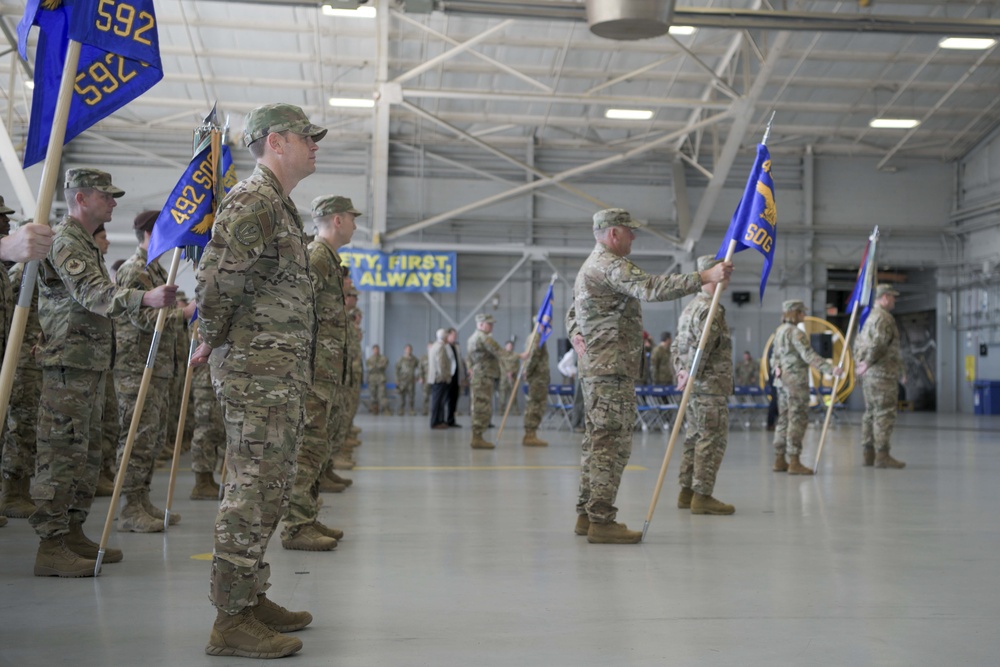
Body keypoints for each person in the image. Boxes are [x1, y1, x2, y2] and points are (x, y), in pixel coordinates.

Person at [191, 103, 326, 658]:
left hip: (276, 374)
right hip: (254, 372)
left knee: (268, 486)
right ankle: (229, 620)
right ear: (276, 142)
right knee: (250, 489)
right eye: (306, 137)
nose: (315, 145)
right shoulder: (254, 199)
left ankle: (249, 596)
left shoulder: (280, 204)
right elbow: (217, 280)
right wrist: (211, 338)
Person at [32, 168, 176, 575]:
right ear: (80, 198)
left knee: (88, 454)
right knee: (61, 454)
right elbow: (92, 294)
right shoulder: (66, 240)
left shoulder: (84, 243)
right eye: (106, 195)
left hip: (91, 364)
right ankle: (51, 544)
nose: (113, 202)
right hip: (68, 366)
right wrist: (144, 297)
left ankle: (72, 531)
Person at [567, 209, 732, 544]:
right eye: (630, 232)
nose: (634, 237)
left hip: (601, 368)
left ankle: (587, 515)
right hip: (610, 370)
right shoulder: (610, 265)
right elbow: (651, 288)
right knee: (611, 444)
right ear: (614, 234)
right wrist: (703, 276)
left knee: (597, 441)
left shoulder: (590, 266)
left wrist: (577, 334)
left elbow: (573, 313)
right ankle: (601, 520)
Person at [281, 195, 358, 551]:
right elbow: (297, 310)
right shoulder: (316, 258)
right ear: (337, 220)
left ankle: (307, 517)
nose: (356, 225)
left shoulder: (328, 259)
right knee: (307, 448)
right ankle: (296, 527)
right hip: (312, 372)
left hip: (323, 373)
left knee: (316, 447)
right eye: (352, 218)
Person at [113, 211, 195, 531]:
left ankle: (142, 499)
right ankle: (129, 507)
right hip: (136, 368)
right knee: (136, 438)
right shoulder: (136, 271)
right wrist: (184, 313)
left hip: (158, 368)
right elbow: (142, 320)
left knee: (152, 437)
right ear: (150, 234)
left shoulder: (155, 270)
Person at [0, 201, 55, 525]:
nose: (6, 224)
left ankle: (14, 490)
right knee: (18, 425)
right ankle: (11, 492)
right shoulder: (22, 270)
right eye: (1, 220)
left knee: (20, 424)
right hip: (18, 363)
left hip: (24, 359)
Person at [671, 256, 736, 515]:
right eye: (725, 271)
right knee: (711, 439)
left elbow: (678, 345)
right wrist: (692, 372)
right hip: (708, 386)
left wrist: (682, 372)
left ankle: (687, 492)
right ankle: (703, 495)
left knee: (694, 438)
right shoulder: (711, 309)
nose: (728, 276)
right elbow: (703, 346)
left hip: (694, 386)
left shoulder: (689, 307)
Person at [770, 301, 842, 475]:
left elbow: (774, 358)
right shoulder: (796, 333)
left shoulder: (779, 331)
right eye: (801, 312)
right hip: (795, 383)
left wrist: (777, 368)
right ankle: (794, 461)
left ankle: (779, 459)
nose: (803, 315)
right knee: (797, 420)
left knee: (783, 419)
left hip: (781, 383)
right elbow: (808, 355)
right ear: (795, 313)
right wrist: (831, 369)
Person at [855, 284, 906, 469]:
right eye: (892, 297)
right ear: (884, 297)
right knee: (884, 414)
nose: (894, 300)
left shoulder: (868, 317)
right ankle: (882, 455)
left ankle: (868, 454)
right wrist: (868, 362)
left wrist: (860, 366)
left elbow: (859, 343)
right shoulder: (884, 318)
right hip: (882, 375)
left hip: (870, 376)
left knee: (870, 414)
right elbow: (879, 344)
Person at [466, 314, 524, 449]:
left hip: (480, 375)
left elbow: (468, 358)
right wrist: (520, 356)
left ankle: (477, 436)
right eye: (489, 323)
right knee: (482, 406)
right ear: (480, 324)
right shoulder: (484, 338)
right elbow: (501, 352)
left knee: (479, 405)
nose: (491, 326)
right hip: (483, 376)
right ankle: (477, 438)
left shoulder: (472, 338)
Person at [522, 334, 550, 447]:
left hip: (538, 378)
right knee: (535, 405)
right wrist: (528, 372)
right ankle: (530, 435)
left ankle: (530, 434)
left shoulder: (535, 336)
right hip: (537, 379)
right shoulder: (538, 337)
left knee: (535, 405)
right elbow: (533, 355)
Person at [428, 329, 451, 429]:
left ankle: (439, 420)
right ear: (445, 337)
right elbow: (441, 364)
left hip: (435, 378)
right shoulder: (441, 347)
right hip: (439, 378)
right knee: (437, 402)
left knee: (439, 401)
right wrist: (445, 377)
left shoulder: (434, 345)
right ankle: (435, 422)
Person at [395, 344, 419, 415]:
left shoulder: (414, 359)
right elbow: (397, 369)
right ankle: (401, 410)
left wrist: (417, 377)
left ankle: (411, 410)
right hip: (402, 380)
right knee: (402, 396)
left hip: (411, 380)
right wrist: (397, 379)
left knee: (411, 396)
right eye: (407, 349)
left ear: (411, 350)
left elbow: (419, 368)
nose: (408, 350)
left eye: (410, 349)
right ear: (405, 350)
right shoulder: (401, 359)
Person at [498, 341, 521, 416]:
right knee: (502, 396)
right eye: (508, 346)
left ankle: (515, 411)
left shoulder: (515, 355)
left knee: (513, 396)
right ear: (505, 347)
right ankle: (501, 411)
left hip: (513, 378)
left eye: (511, 346)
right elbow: (500, 366)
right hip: (504, 378)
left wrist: (512, 372)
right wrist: (507, 373)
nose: (510, 347)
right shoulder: (502, 355)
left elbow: (518, 366)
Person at [365, 344, 389, 415]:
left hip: (381, 379)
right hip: (372, 380)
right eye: (374, 350)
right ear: (373, 350)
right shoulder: (369, 359)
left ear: (379, 350)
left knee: (382, 395)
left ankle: (386, 409)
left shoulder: (383, 358)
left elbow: (383, 366)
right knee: (373, 396)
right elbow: (369, 368)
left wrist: (374, 367)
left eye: (377, 349)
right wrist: (376, 367)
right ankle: (374, 410)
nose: (376, 351)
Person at [445, 328, 462, 426]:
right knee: (447, 399)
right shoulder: (445, 347)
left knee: (454, 399)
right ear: (448, 335)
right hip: (448, 376)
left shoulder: (457, 347)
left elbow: (459, 362)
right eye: (453, 335)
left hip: (456, 376)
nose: (455, 337)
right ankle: (445, 419)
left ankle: (451, 420)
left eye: (456, 335)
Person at [419, 342, 431, 416]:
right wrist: (420, 377)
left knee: (436, 396)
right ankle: (425, 410)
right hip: (426, 379)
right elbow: (420, 368)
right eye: (429, 347)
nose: (430, 348)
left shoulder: (437, 356)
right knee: (425, 395)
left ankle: (435, 410)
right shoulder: (423, 358)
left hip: (436, 379)